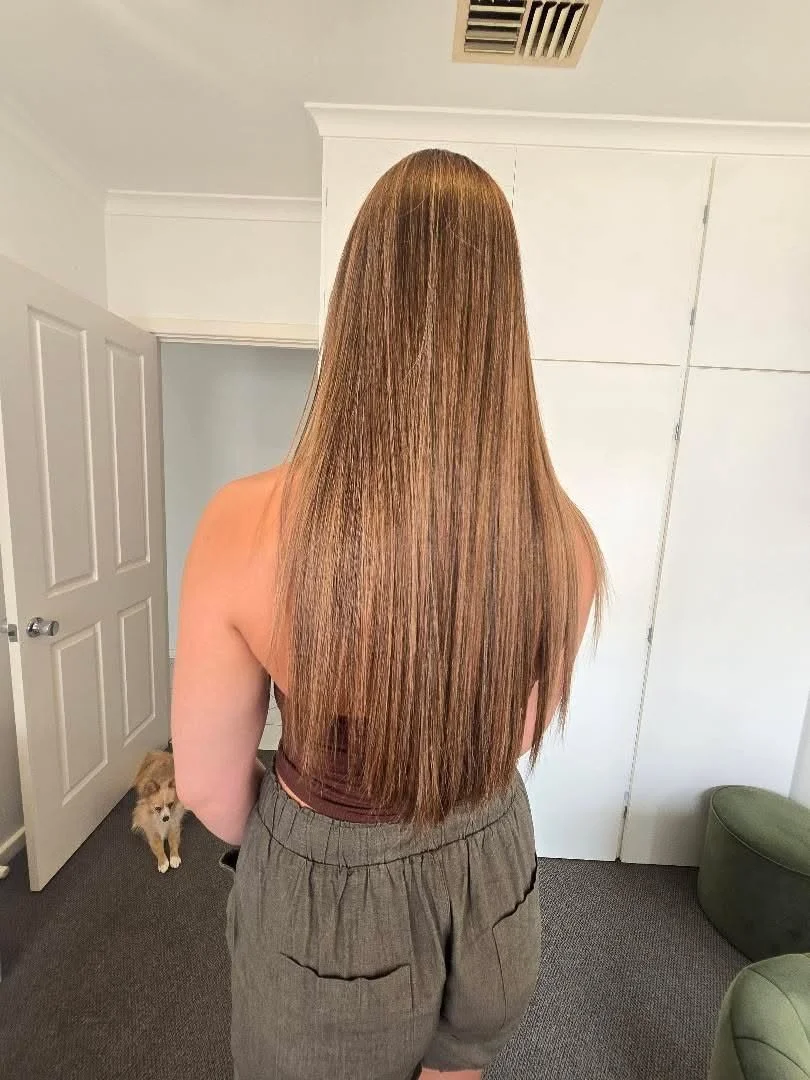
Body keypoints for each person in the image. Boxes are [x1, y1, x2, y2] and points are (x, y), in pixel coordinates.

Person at [172, 148, 604, 1080]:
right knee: (456, 1070)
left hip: (330, 917)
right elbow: (512, 740)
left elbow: (205, 789)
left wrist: (299, 852)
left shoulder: (245, 525)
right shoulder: (563, 540)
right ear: (503, 323)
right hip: (492, 878)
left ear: (356, 306)